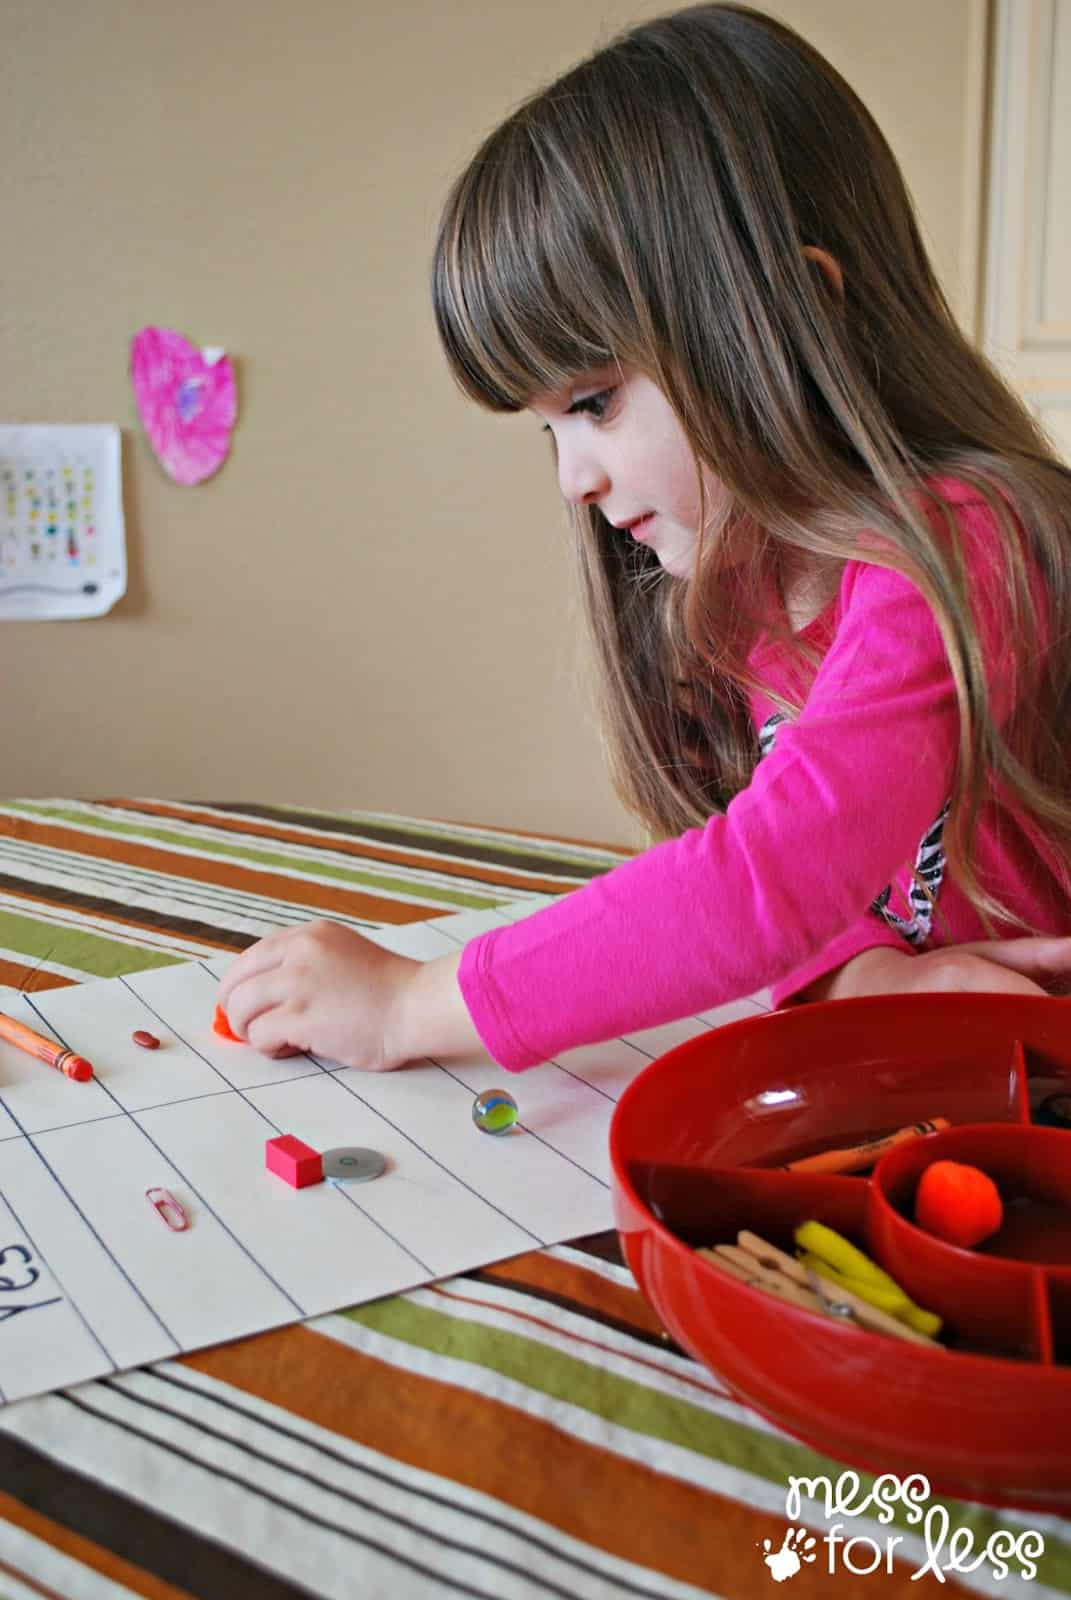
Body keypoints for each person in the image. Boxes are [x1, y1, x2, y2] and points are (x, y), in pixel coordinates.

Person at [219, 2, 1071, 1072]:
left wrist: (413, 1005)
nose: (573, 477)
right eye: (545, 432)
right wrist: (862, 969)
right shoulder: (745, 590)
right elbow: (819, 891)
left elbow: (772, 875)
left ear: (794, 319)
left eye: (595, 401)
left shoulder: (965, 546)